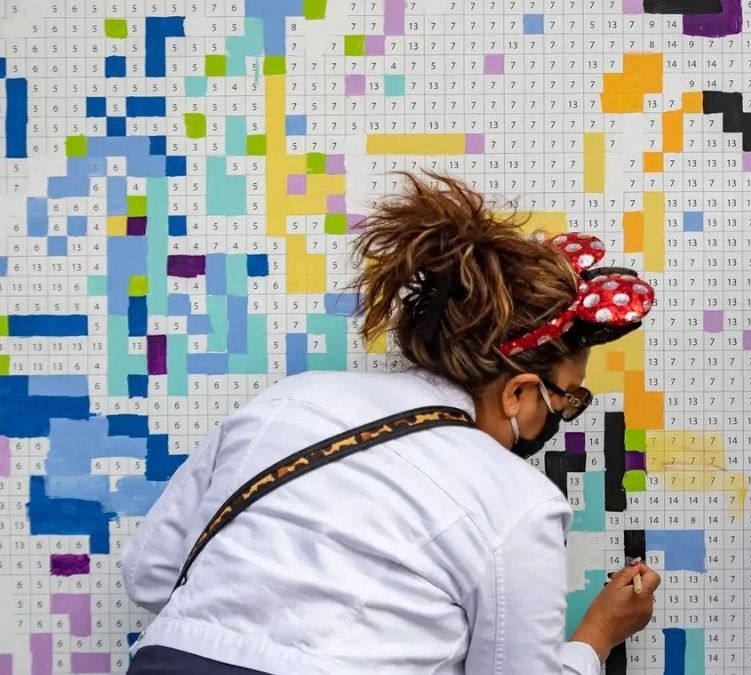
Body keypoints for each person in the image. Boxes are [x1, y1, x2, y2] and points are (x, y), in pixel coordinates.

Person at [122, 172, 661, 675]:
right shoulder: (518, 501)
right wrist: (599, 633)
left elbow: (149, 575)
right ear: (519, 392)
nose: (562, 414)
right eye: (566, 398)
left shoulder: (291, 399)